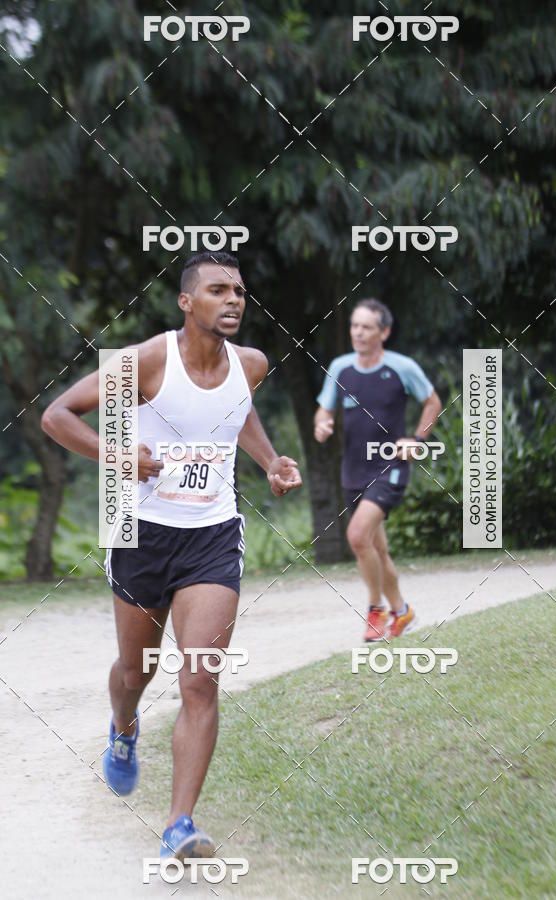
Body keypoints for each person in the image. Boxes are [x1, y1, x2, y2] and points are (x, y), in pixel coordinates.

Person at [41, 250, 302, 862]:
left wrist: (270, 463)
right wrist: (117, 456)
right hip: (142, 532)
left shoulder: (253, 364)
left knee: (199, 680)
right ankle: (123, 727)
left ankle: (180, 824)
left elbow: (236, 412)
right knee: (138, 671)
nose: (233, 299)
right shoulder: (149, 361)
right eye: (218, 290)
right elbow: (58, 416)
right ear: (187, 302)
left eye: (238, 290)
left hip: (212, 535)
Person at [314, 298, 441, 642]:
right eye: (354, 325)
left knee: (357, 537)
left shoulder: (402, 367)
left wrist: (416, 438)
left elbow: (433, 401)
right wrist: (323, 425)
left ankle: (376, 610)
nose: (358, 332)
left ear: (383, 332)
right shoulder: (340, 368)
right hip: (353, 471)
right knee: (376, 550)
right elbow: (324, 410)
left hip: (390, 467)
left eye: (367, 327)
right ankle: (403, 612)